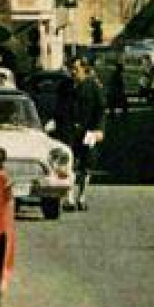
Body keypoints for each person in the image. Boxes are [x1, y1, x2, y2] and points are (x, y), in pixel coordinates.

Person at [60, 57, 106, 210]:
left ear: (84, 70)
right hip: (69, 131)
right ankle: (69, 198)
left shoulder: (94, 87)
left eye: (76, 69)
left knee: (87, 164)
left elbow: (100, 110)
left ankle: (82, 196)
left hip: (89, 131)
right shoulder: (64, 86)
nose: (73, 72)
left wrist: (99, 129)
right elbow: (59, 108)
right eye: (71, 68)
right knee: (68, 163)